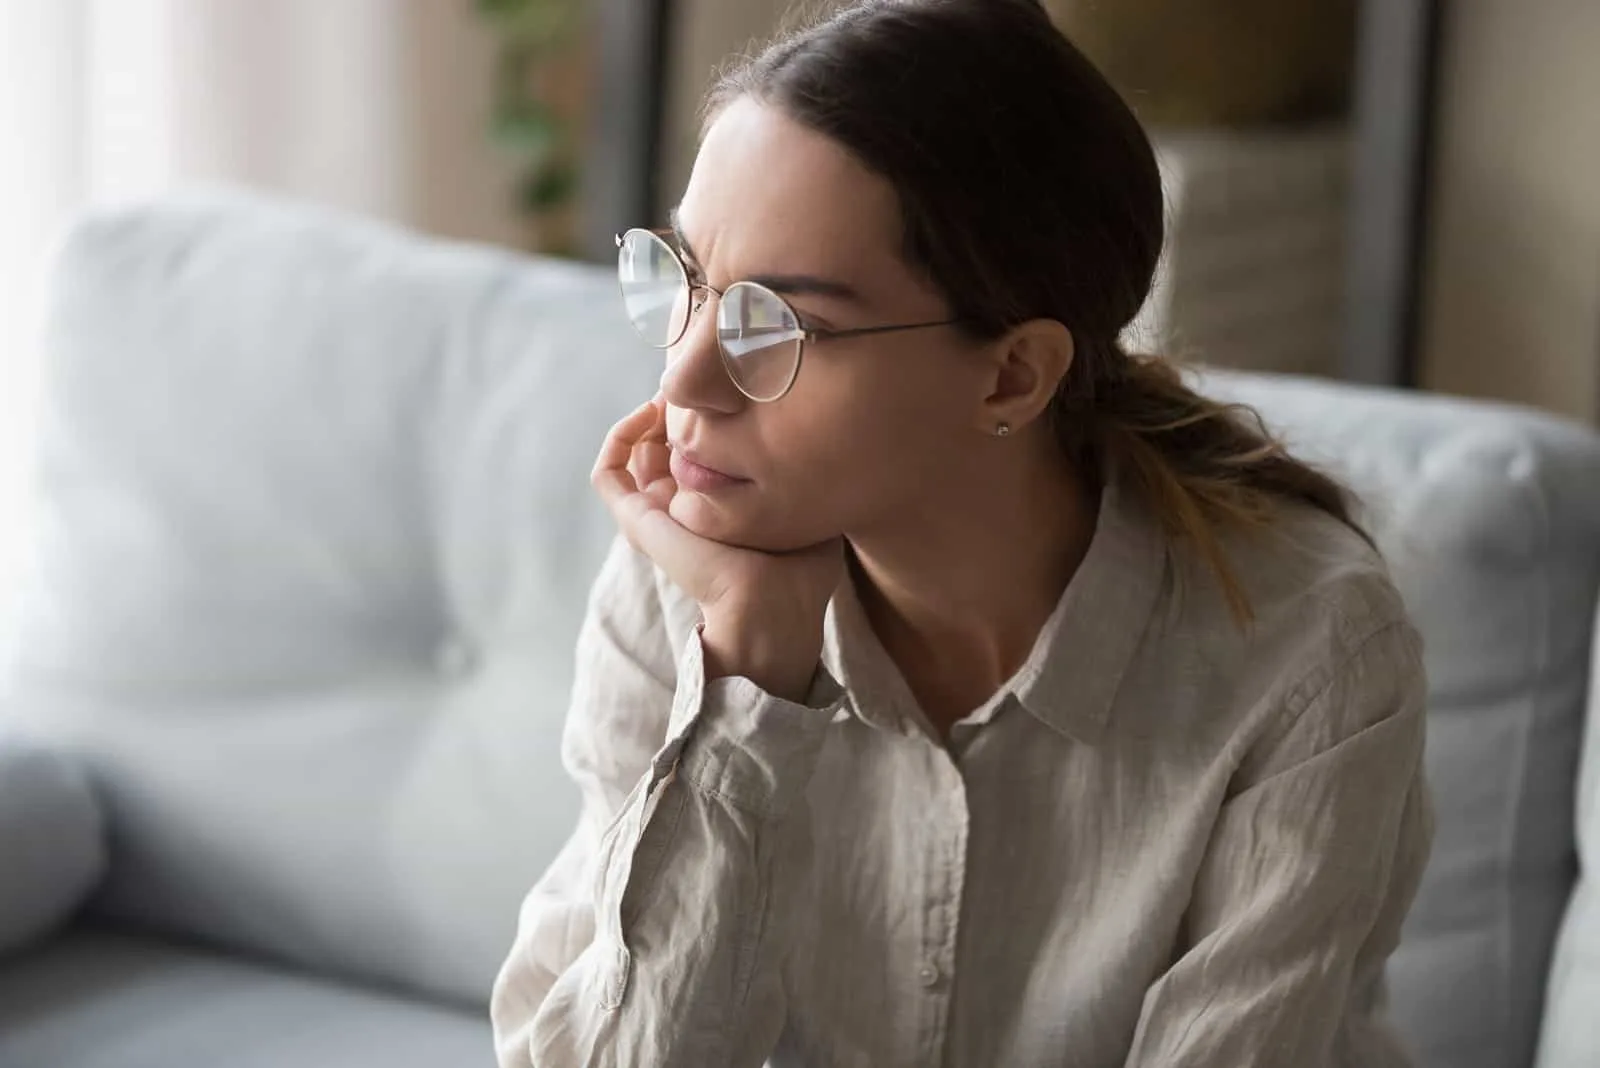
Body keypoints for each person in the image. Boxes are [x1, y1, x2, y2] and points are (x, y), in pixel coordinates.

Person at [490, 1, 1434, 1064]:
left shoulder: (1306, 652)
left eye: (779, 322)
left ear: (1011, 374)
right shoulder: (687, 585)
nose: (684, 377)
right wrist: (747, 682)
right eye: (689, 280)